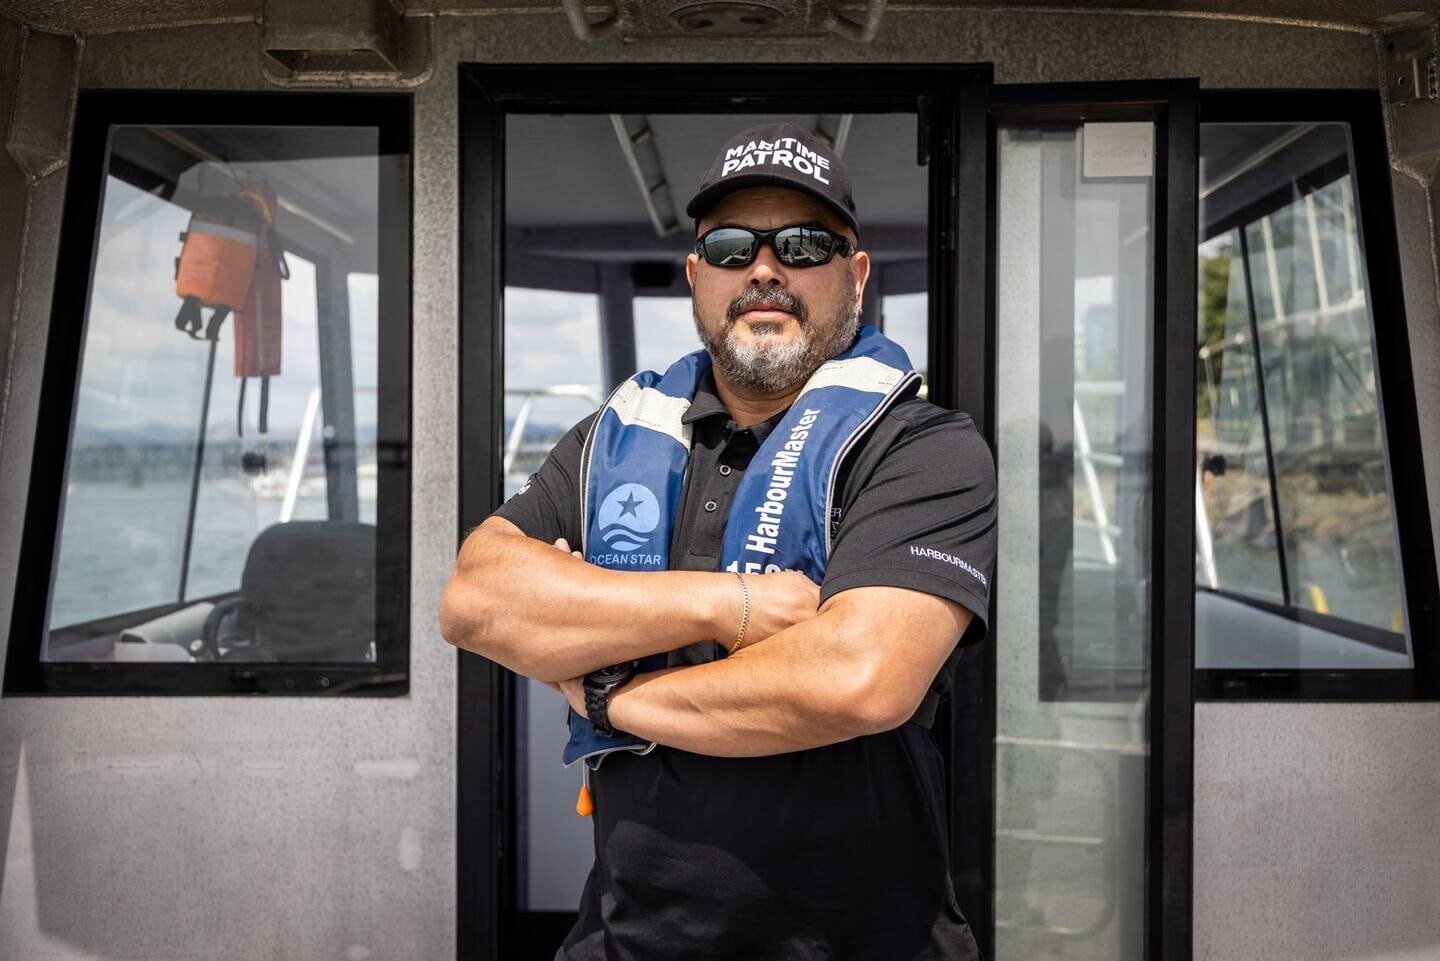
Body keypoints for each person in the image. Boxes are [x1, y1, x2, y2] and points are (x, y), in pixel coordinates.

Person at [440, 121, 996, 961]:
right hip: (623, 939)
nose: (764, 268)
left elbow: (859, 678)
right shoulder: (609, 440)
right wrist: (731, 602)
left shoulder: (922, 447)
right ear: (697, 275)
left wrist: (606, 697)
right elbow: (476, 599)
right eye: (733, 246)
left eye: (804, 244)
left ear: (855, 275)